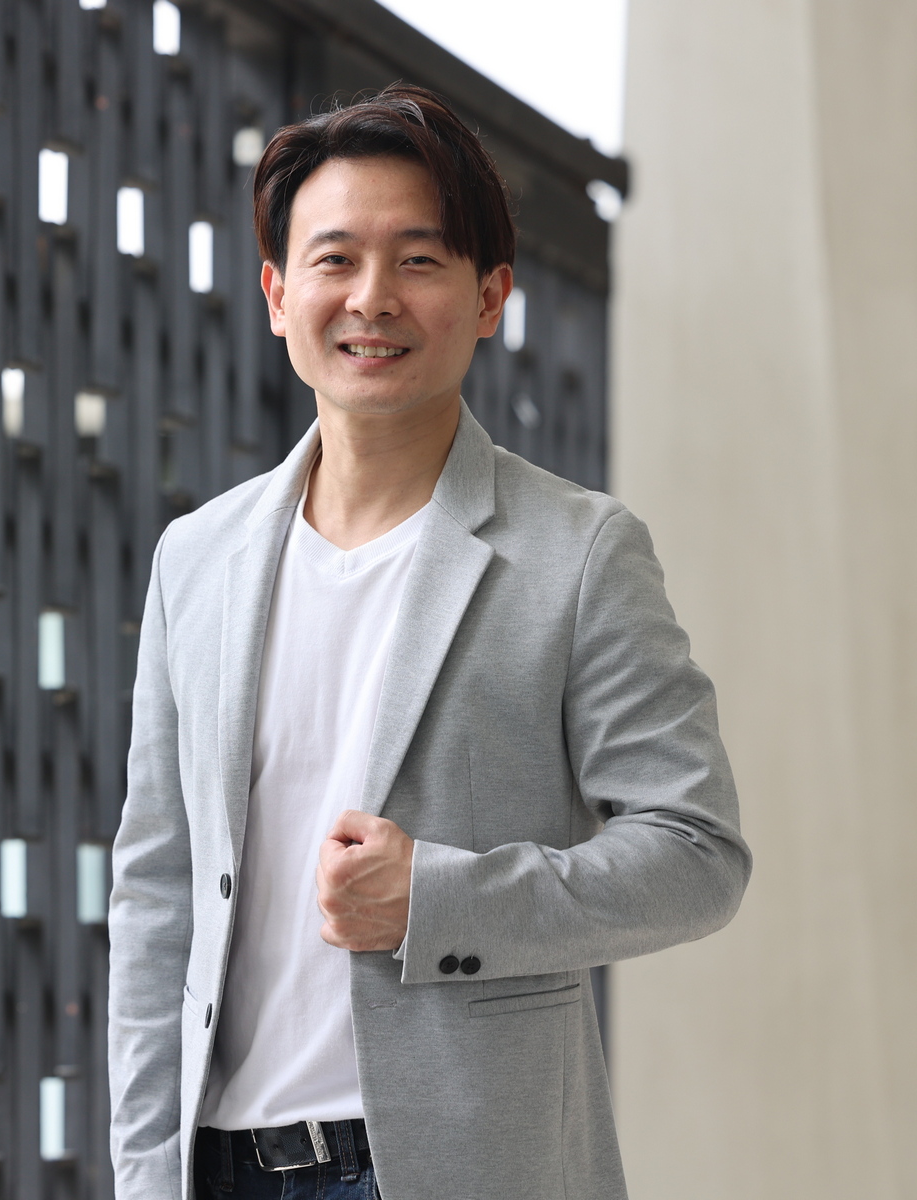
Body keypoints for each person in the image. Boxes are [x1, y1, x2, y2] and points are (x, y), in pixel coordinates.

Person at [105, 84, 750, 1200]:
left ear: (489, 295)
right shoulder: (196, 560)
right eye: (335, 259)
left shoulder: (578, 553)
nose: (372, 298)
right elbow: (158, 889)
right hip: (216, 1167)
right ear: (277, 294)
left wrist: (440, 900)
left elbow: (696, 855)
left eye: (418, 260)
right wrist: (142, 1171)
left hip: (460, 1164)